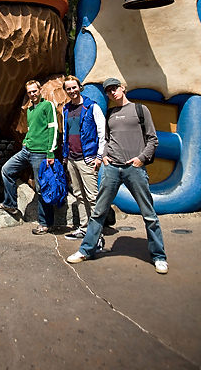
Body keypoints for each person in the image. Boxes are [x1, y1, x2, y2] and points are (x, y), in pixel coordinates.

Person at [67, 78, 167, 273]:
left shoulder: (140, 109)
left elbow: (152, 139)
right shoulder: (111, 113)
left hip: (134, 169)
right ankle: (86, 250)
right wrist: (104, 157)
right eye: (109, 91)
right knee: (98, 212)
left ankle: (159, 256)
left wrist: (141, 159)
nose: (112, 93)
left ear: (123, 88)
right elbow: (106, 138)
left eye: (115, 88)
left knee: (149, 215)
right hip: (112, 168)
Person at [0, 80, 58, 234]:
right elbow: (31, 129)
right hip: (27, 150)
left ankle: (46, 223)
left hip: (41, 153)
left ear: (40, 90)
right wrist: (25, 141)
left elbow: (53, 128)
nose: (32, 94)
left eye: (34, 91)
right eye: (29, 92)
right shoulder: (30, 110)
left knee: (41, 187)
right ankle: (10, 204)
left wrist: (50, 152)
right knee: (6, 169)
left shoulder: (47, 105)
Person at [61, 76, 107, 242]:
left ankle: (97, 235)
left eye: (74, 87)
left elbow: (102, 133)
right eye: (69, 89)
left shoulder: (92, 107)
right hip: (72, 159)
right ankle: (84, 227)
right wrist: (65, 157)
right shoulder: (65, 109)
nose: (72, 91)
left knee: (92, 197)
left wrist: (100, 157)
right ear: (65, 91)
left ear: (80, 87)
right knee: (79, 195)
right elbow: (66, 134)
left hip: (88, 158)